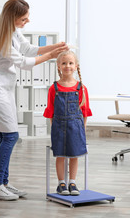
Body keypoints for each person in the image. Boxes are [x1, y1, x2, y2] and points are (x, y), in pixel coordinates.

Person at [0, 0, 68, 201]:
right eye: (24, 19)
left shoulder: (12, 28)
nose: (27, 21)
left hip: (4, 87)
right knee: (10, 136)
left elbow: (27, 49)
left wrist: (55, 46)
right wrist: (52, 55)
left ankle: (4, 183)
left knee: (6, 136)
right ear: (13, 17)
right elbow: (24, 62)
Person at [43, 50, 92, 196]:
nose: (67, 66)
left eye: (70, 63)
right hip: (58, 126)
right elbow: (50, 111)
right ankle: (61, 184)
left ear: (76, 66)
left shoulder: (81, 88)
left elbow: (84, 111)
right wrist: (54, 128)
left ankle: (72, 182)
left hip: (75, 127)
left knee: (74, 155)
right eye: (64, 63)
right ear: (58, 66)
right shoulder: (54, 88)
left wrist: (82, 129)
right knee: (60, 155)